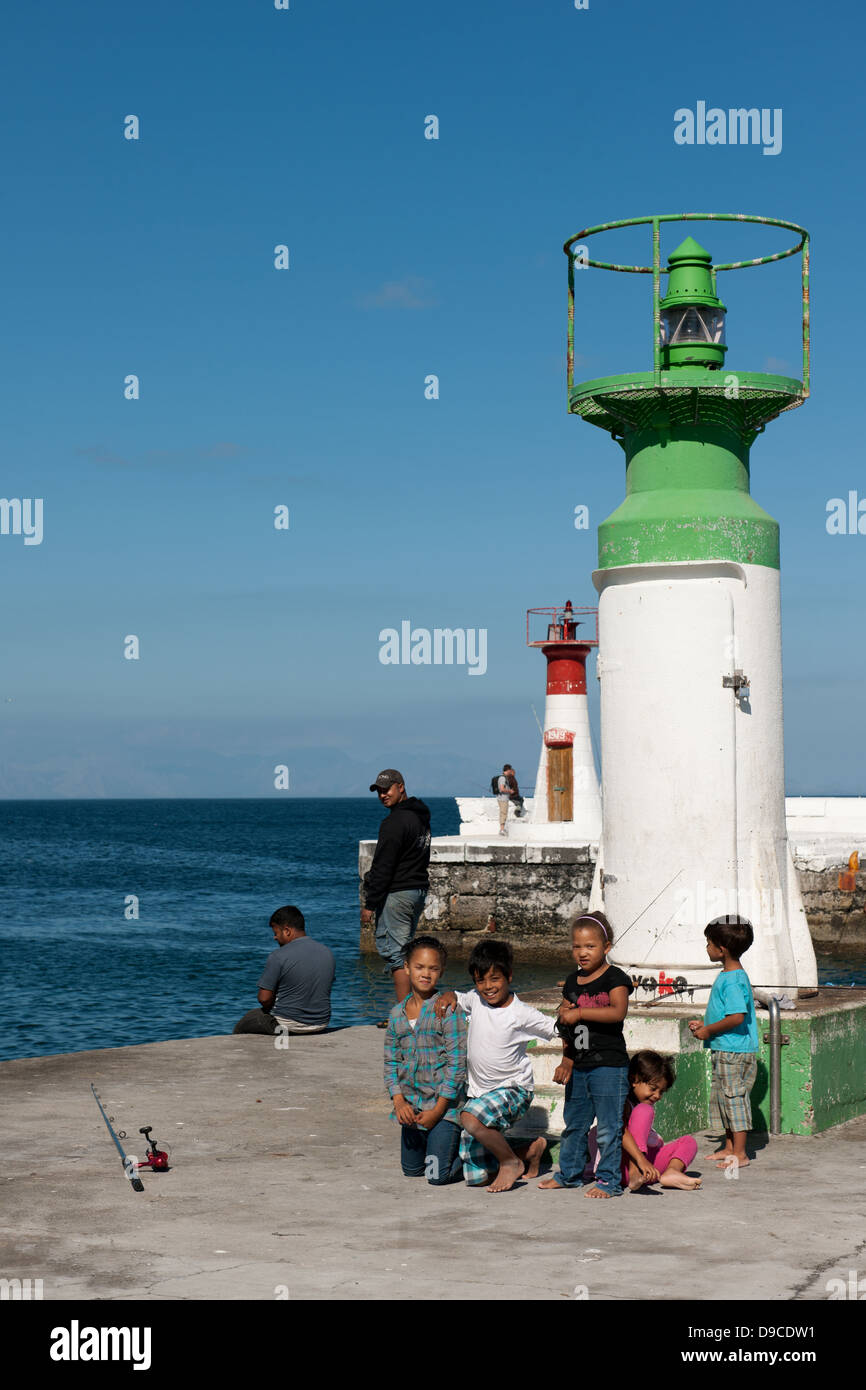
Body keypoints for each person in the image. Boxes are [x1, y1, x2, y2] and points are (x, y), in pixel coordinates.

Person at [436, 939, 553, 1193]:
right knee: (476, 1176)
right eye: (480, 981)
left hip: (514, 1091)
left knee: (469, 1116)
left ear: (509, 976)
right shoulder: (476, 999)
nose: (488, 987)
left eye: (494, 979)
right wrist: (448, 995)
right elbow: (458, 997)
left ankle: (510, 1162)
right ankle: (529, 1152)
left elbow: (556, 1029)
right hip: (481, 1095)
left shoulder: (521, 1013)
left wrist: (569, 1057)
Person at [539, 911, 633, 1198]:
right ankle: (569, 1174)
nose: (582, 953)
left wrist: (579, 1011)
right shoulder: (571, 982)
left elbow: (618, 1011)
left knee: (608, 1128)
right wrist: (566, 1059)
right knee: (575, 1125)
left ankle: (609, 1181)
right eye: (577, 946)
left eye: (590, 946)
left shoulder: (615, 978)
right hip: (579, 1066)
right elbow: (566, 1026)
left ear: (607, 947)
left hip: (609, 1066)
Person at [383, 936, 467, 1186]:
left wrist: (438, 1110)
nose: (426, 974)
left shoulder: (447, 1011)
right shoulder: (396, 1015)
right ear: (407, 968)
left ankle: (478, 1153)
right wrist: (399, 1102)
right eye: (419, 967)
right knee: (412, 1171)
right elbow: (390, 1063)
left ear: (441, 971)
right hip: (412, 1108)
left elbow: (456, 1066)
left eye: (433, 968)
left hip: (443, 1109)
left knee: (435, 1176)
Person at [689, 915, 758, 1171]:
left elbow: (737, 1016)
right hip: (726, 1047)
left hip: (733, 1050)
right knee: (724, 1099)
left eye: (709, 943)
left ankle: (740, 1153)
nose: (706, 947)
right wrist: (705, 1026)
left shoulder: (731, 979)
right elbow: (726, 1013)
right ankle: (729, 1147)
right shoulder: (730, 975)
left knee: (734, 1099)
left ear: (722, 949)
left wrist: (708, 1031)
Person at [361, 770, 431, 1003]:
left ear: (400, 787)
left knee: (397, 957)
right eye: (379, 791)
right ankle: (415, 1010)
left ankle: (406, 1014)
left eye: (387, 789)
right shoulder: (420, 817)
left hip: (398, 894)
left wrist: (370, 905)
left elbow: (384, 865)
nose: (383, 795)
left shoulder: (394, 823)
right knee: (406, 954)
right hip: (417, 891)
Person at [618, 1050, 701, 1192]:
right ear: (634, 1080)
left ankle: (672, 1172)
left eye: (661, 1092)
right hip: (625, 1166)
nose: (657, 1096)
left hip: (649, 1169)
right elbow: (621, 1131)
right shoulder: (624, 1104)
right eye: (653, 1088)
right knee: (645, 1110)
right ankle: (635, 1172)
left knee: (689, 1141)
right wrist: (640, 1160)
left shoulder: (642, 1105)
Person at [256, 905, 336, 1034]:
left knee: (247, 1021)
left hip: (288, 1024)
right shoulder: (327, 952)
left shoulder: (277, 956)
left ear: (287, 930)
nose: (274, 938)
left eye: (275, 933)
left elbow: (264, 999)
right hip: (321, 1022)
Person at [496, 766, 512, 836]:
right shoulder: (502, 778)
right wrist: (509, 791)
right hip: (503, 799)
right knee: (503, 814)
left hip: (502, 798)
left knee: (503, 813)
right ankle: (502, 830)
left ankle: (502, 829)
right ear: (507, 770)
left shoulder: (503, 778)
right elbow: (502, 789)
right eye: (510, 771)